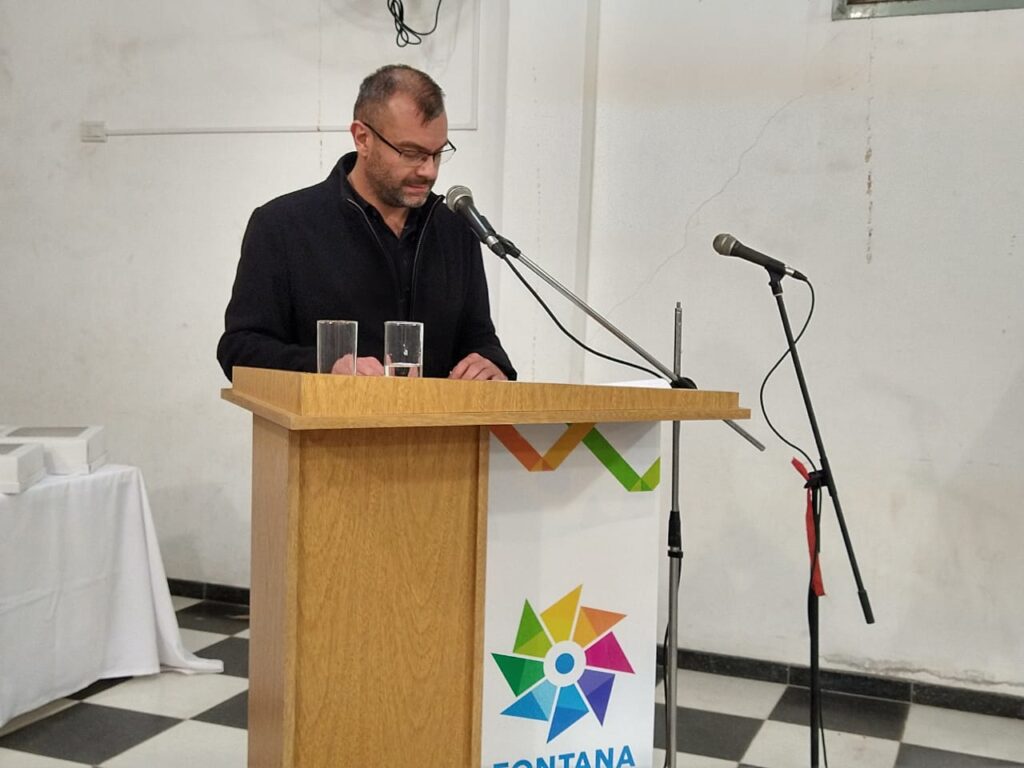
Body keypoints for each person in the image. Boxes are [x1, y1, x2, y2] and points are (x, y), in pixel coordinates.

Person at [217, 64, 515, 382]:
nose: (428, 170)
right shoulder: (283, 226)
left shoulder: (455, 230)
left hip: (436, 417)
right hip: (327, 416)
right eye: (411, 153)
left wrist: (492, 363)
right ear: (362, 138)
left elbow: (479, 338)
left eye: (437, 153)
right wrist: (325, 367)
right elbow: (240, 349)